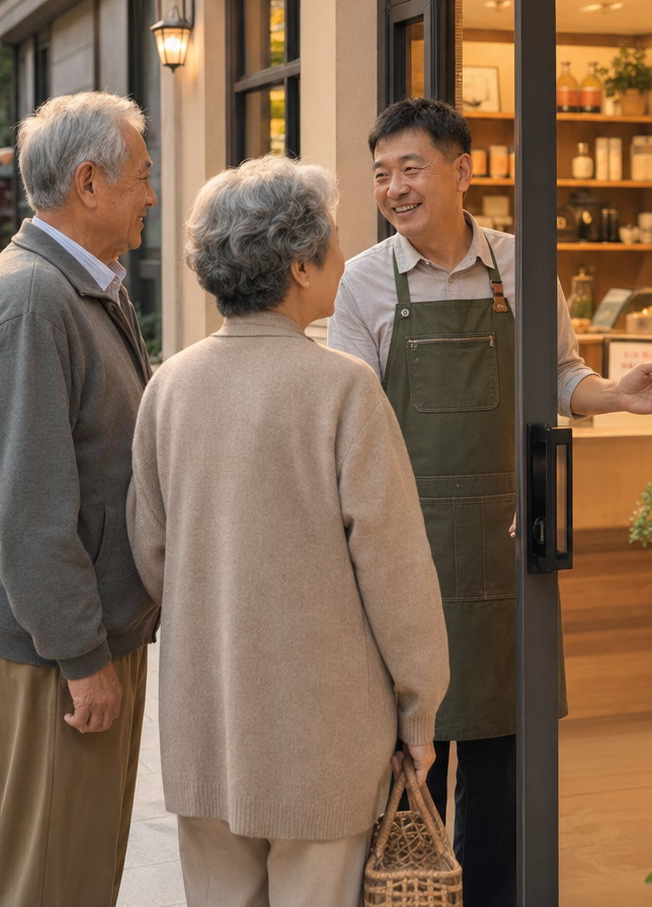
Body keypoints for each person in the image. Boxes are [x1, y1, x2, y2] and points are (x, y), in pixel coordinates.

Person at [328, 97, 652, 907]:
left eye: (411, 168)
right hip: (402, 554)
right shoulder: (364, 282)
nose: (395, 188)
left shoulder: (522, 266)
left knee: (503, 770)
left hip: (506, 549)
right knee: (414, 765)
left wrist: (616, 395)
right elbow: (348, 423)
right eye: (381, 174)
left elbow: (557, 379)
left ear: (462, 171)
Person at [128, 155, 449, 907]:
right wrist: (418, 707)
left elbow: (149, 554)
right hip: (325, 731)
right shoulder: (342, 387)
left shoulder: (169, 384)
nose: (344, 257)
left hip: (206, 715)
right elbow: (394, 569)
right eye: (334, 242)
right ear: (301, 264)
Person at [0, 91, 159, 907]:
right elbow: (27, 505)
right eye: (142, 176)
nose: (151, 194)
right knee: (54, 880)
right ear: (88, 183)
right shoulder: (34, 300)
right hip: (60, 654)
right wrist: (82, 658)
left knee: (79, 869)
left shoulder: (81, 286)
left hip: (86, 638)